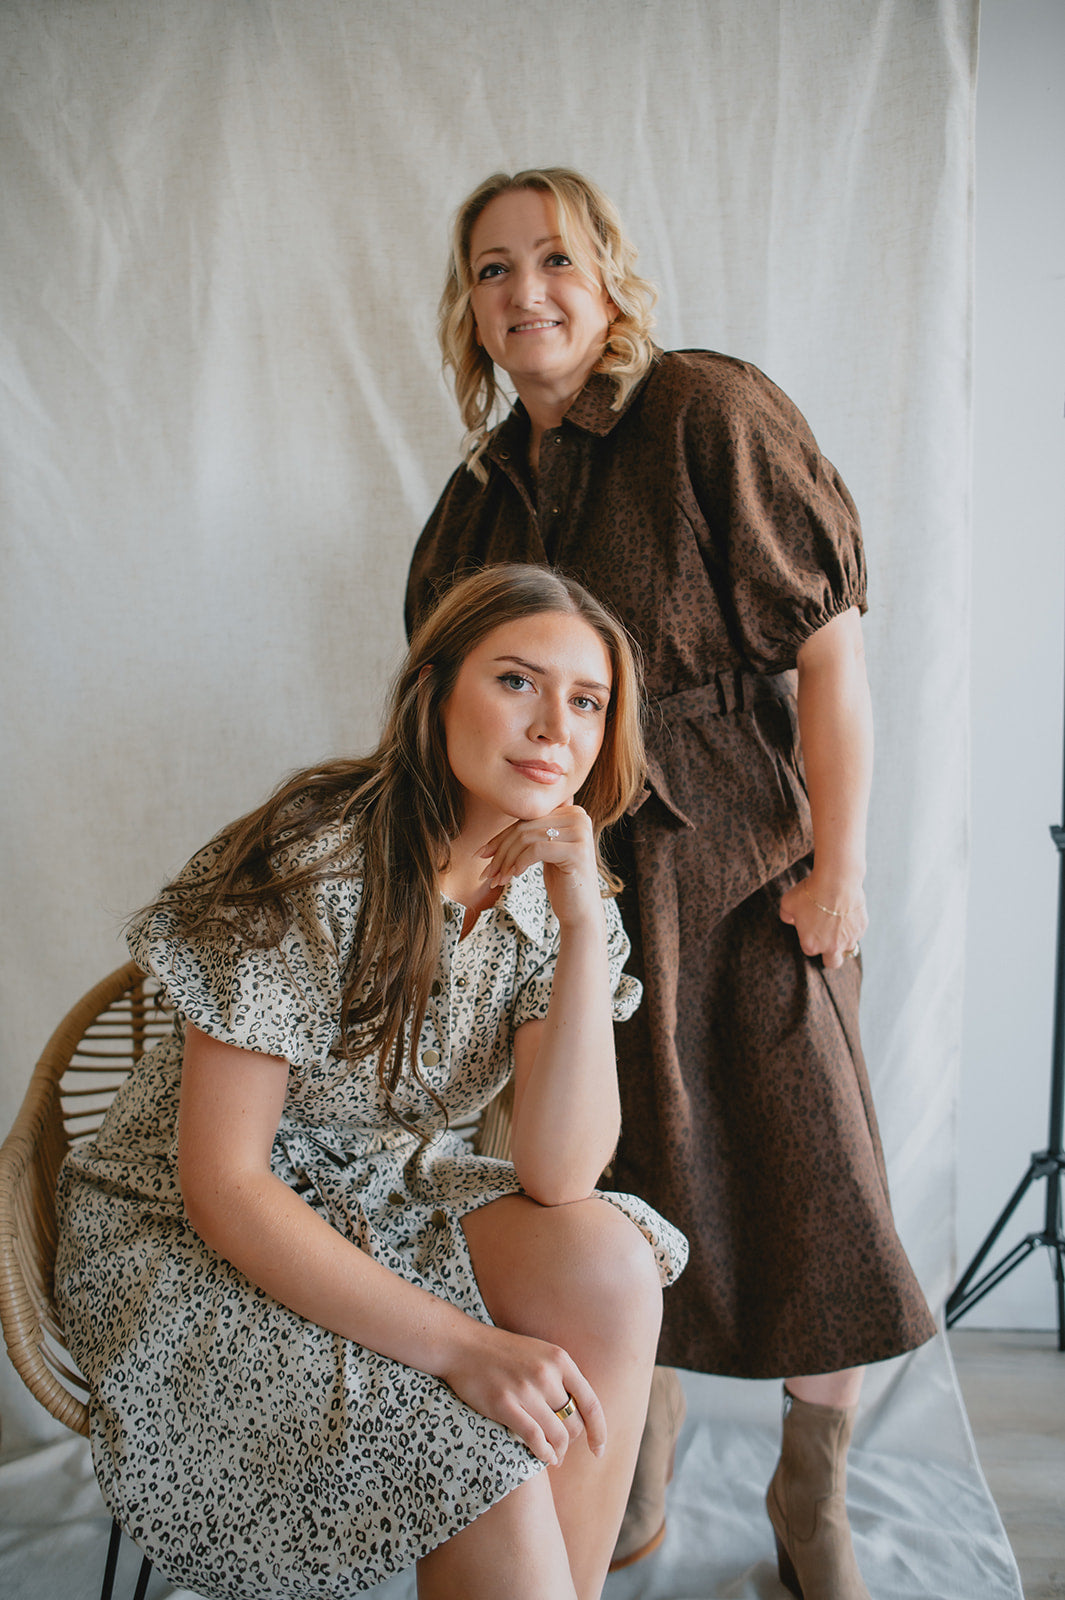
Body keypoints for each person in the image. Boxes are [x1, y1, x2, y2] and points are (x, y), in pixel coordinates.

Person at [406, 167, 937, 1600]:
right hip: (567, 893)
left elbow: (828, 650)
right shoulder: (480, 497)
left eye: (553, 259)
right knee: (609, 1176)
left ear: (608, 278)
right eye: (493, 269)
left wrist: (841, 863)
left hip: (743, 864)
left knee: (813, 1178)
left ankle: (811, 1488)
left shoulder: (704, 409)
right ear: (469, 308)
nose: (525, 291)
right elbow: (446, 711)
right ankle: (632, 1446)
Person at [55, 563, 688, 1600]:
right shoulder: (312, 859)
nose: (553, 727)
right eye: (517, 681)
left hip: (379, 1191)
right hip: (184, 1228)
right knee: (483, 1451)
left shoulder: (562, 889)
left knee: (613, 1266)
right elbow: (223, 1185)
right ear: (434, 690)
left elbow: (562, 1173)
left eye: (587, 702)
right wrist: (465, 1349)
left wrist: (581, 927)